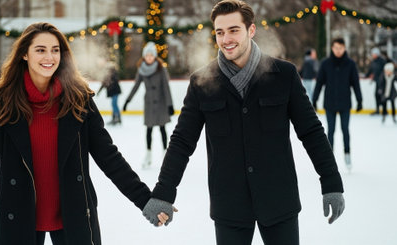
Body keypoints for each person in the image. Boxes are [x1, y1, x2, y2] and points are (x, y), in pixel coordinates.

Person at [141, 1, 345, 244]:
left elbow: (311, 132)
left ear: (251, 30)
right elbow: (182, 141)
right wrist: (164, 192)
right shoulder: (202, 82)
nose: (226, 38)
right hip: (230, 205)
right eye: (220, 32)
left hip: (278, 200)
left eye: (233, 30)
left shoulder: (283, 75)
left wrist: (331, 182)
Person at [0, 22, 169, 245]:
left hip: (74, 216)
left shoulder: (79, 100)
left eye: (55, 50)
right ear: (24, 53)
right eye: (40, 50)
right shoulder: (2, 102)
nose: (49, 57)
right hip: (17, 217)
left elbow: (109, 157)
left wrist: (144, 199)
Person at [313, 37, 363, 172]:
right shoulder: (326, 64)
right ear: (332, 48)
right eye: (335, 48)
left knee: (345, 130)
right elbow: (319, 83)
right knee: (331, 131)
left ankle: (347, 154)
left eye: (340, 48)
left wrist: (359, 100)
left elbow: (355, 83)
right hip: (330, 103)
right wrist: (314, 99)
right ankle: (330, 159)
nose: (338, 50)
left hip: (345, 103)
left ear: (344, 48)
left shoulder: (350, 64)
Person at [123, 41, 174, 168]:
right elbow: (136, 86)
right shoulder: (141, 70)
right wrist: (127, 101)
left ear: (155, 56)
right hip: (150, 104)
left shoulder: (161, 69)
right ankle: (148, 155)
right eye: (147, 55)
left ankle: (165, 154)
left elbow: (166, 87)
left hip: (161, 102)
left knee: (162, 129)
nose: (149, 58)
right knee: (149, 130)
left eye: (151, 55)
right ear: (144, 57)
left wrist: (170, 105)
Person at [366, 47, 386, 115]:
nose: (372, 55)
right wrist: (365, 76)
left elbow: (385, 70)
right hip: (377, 81)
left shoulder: (382, 61)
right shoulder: (373, 62)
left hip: (382, 82)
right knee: (376, 95)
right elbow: (370, 70)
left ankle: (384, 110)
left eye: (373, 54)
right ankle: (377, 109)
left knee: (382, 95)